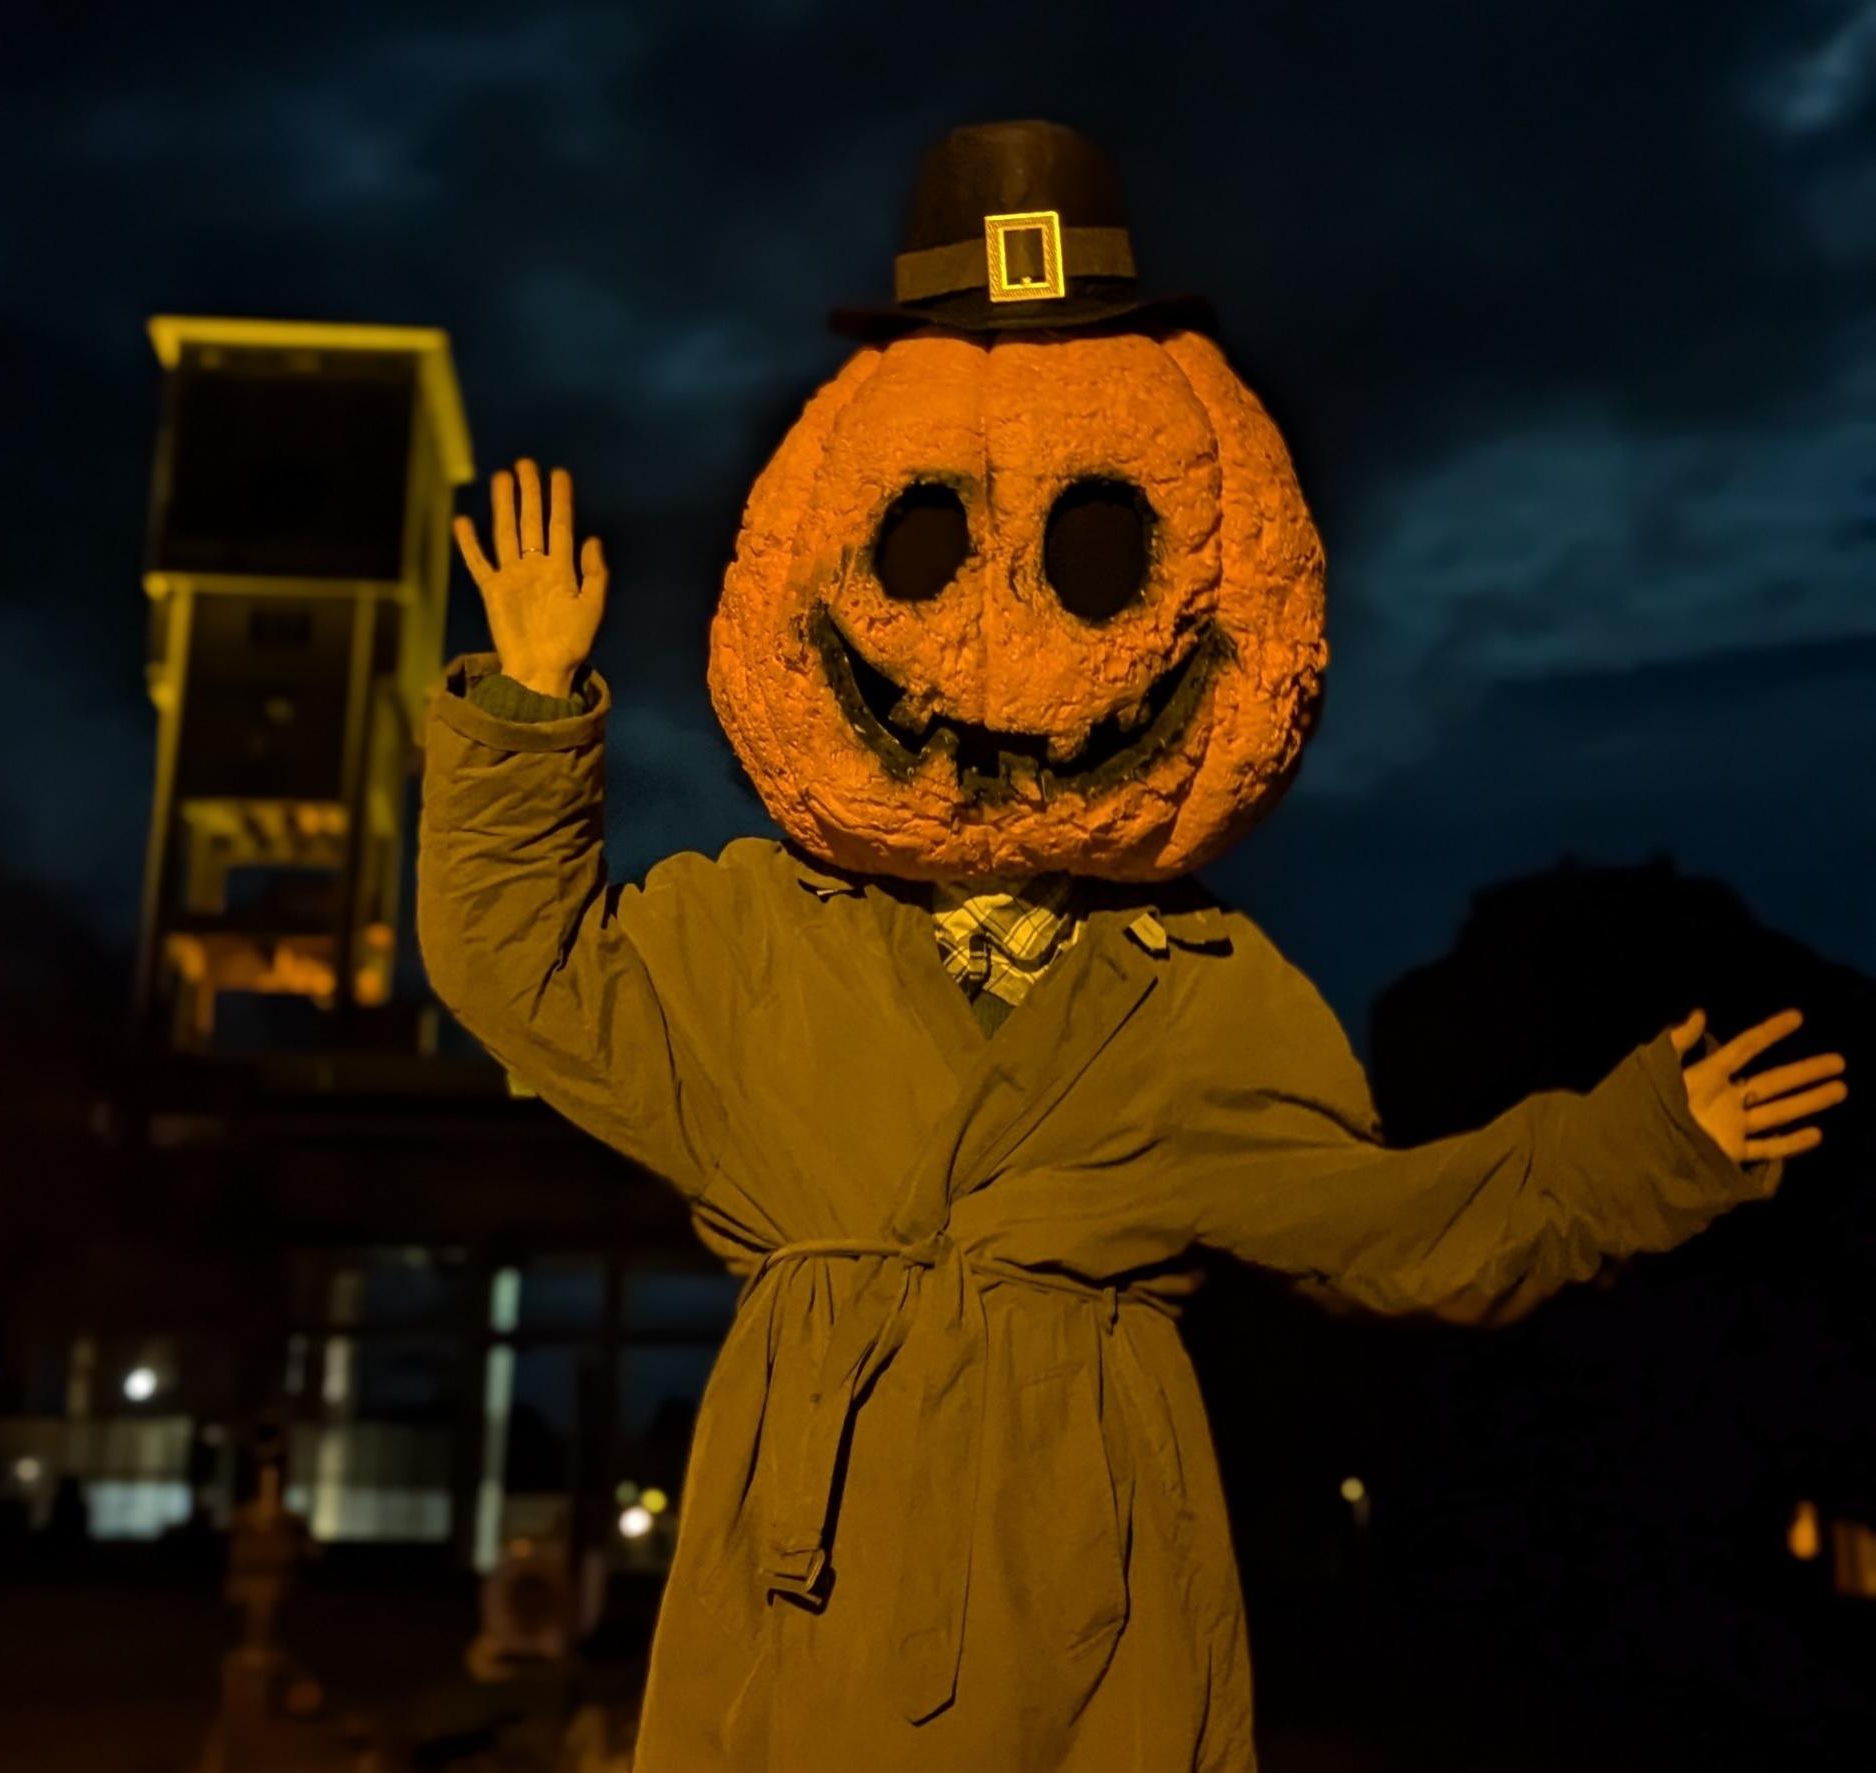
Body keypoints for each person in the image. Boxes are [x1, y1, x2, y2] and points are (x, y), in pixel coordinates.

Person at [417, 122, 1849, 1773]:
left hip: (1087, 1629)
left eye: (1096, 548)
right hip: (804, 1630)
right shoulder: (752, 946)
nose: (1009, 631)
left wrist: (1646, 1148)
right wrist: (527, 709)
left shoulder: (1204, 1008)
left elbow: (1406, 1227)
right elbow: (520, 966)